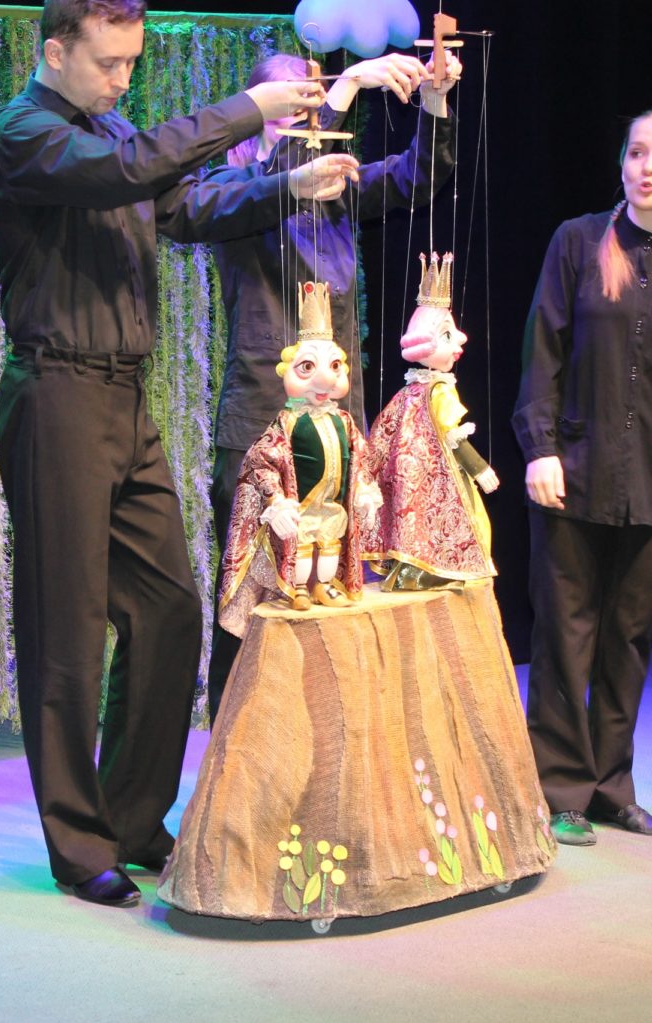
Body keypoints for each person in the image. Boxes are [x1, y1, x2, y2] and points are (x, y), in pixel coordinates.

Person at [0, 0, 360, 909]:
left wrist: (287, 186)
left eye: (131, 63)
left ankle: (132, 816)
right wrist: (248, 110)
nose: (122, 80)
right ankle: (79, 846)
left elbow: (185, 206)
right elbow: (130, 171)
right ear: (56, 51)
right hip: (58, 394)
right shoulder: (24, 134)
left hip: (123, 395)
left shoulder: (112, 132)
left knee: (168, 610)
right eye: (108, 63)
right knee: (67, 629)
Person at [204, 48, 461, 719]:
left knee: (327, 581)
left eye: (316, 104)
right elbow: (279, 178)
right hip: (264, 425)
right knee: (254, 592)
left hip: (336, 433)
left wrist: (434, 101)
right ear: (259, 115)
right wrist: (344, 86)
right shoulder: (233, 186)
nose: (312, 118)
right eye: (297, 106)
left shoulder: (337, 192)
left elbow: (418, 177)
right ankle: (235, 746)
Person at [512, 105, 652, 846]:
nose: (649, 167)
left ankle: (612, 787)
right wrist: (540, 447)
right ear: (622, 163)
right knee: (564, 635)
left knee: (629, 637)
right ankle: (560, 790)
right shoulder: (579, 242)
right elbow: (543, 351)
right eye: (638, 152)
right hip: (573, 472)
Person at [216, 282, 379, 638]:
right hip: (302, 505)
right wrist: (275, 500)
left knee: (330, 544)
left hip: (332, 506)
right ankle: (300, 587)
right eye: (308, 367)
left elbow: (361, 458)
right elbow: (261, 461)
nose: (325, 379)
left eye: (334, 366)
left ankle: (325, 585)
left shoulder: (344, 421)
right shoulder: (287, 423)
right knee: (303, 546)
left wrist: (365, 490)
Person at [362, 253, 499, 592]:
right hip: (432, 474)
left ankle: (408, 569)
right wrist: (479, 468)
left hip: (417, 475)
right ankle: (428, 569)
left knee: (419, 521)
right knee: (455, 518)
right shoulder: (438, 390)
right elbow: (453, 437)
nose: (461, 340)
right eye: (448, 335)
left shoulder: (412, 389)